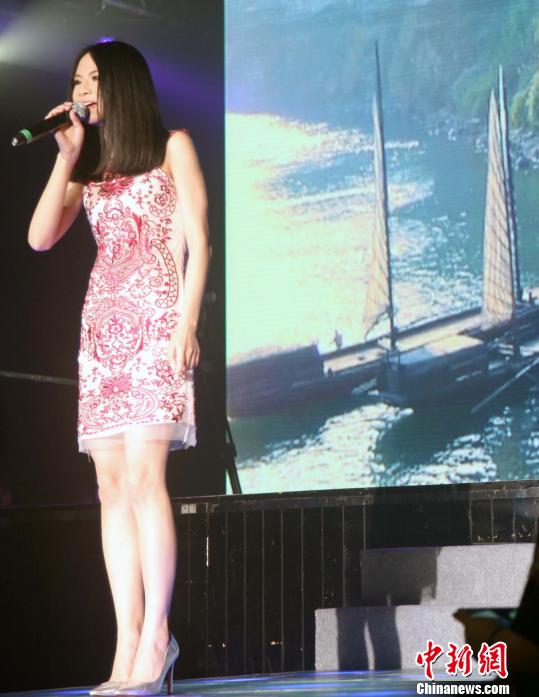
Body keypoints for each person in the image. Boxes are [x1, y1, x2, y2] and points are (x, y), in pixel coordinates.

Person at [28, 41, 211, 696]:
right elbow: (38, 237)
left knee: (143, 478)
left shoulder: (173, 147)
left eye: (93, 79)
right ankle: (126, 640)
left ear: (124, 84)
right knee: (110, 488)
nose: (81, 91)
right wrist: (67, 155)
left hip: (158, 325)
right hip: (102, 333)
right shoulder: (90, 167)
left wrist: (187, 323)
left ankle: (158, 636)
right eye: (76, 80)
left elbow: (200, 241)